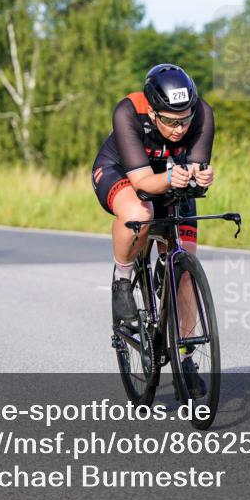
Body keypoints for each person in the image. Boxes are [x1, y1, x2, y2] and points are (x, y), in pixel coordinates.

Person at [91, 64, 214, 393]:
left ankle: (185, 355)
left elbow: (197, 172)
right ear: (152, 111)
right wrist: (175, 176)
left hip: (171, 177)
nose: (179, 129)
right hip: (122, 173)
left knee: (184, 263)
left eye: (185, 120)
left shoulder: (202, 114)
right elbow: (144, 182)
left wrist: (202, 177)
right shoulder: (129, 112)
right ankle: (122, 279)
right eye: (171, 121)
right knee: (140, 213)